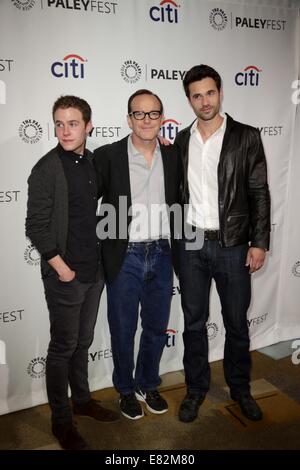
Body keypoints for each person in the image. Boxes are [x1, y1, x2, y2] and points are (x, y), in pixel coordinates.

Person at [175, 65, 271, 423]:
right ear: (189, 99)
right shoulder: (183, 141)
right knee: (193, 323)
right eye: (196, 95)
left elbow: (259, 191)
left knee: (236, 324)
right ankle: (195, 390)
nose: (204, 101)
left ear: (220, 92)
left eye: (210, 93)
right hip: (192, 243)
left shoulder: (246, 136)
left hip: (233, 245)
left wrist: (258, 242)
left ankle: (241, 390)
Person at [25, 95, 119, 450]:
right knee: (63, 347)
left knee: (83, 343)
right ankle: (61, 422)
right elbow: (35, 226)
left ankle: (82, 401)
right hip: (65, 276)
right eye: (59, 123)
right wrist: (62, 269)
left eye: (73, 123)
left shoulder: (94, 162)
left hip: (94, 273)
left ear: (88, 126)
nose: (65, 130)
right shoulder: (47, 169)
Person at [93, 89, 181, 420]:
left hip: (161, 252)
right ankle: (126, 391)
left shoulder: (174, 155)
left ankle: (147, 384)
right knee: (123, 328)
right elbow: (86, 199)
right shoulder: (108, 155)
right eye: (139, 114)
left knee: (157, 327)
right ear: (129, 118)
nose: (146, 120)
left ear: (162, 117)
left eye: (153, 113)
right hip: (124, 254)